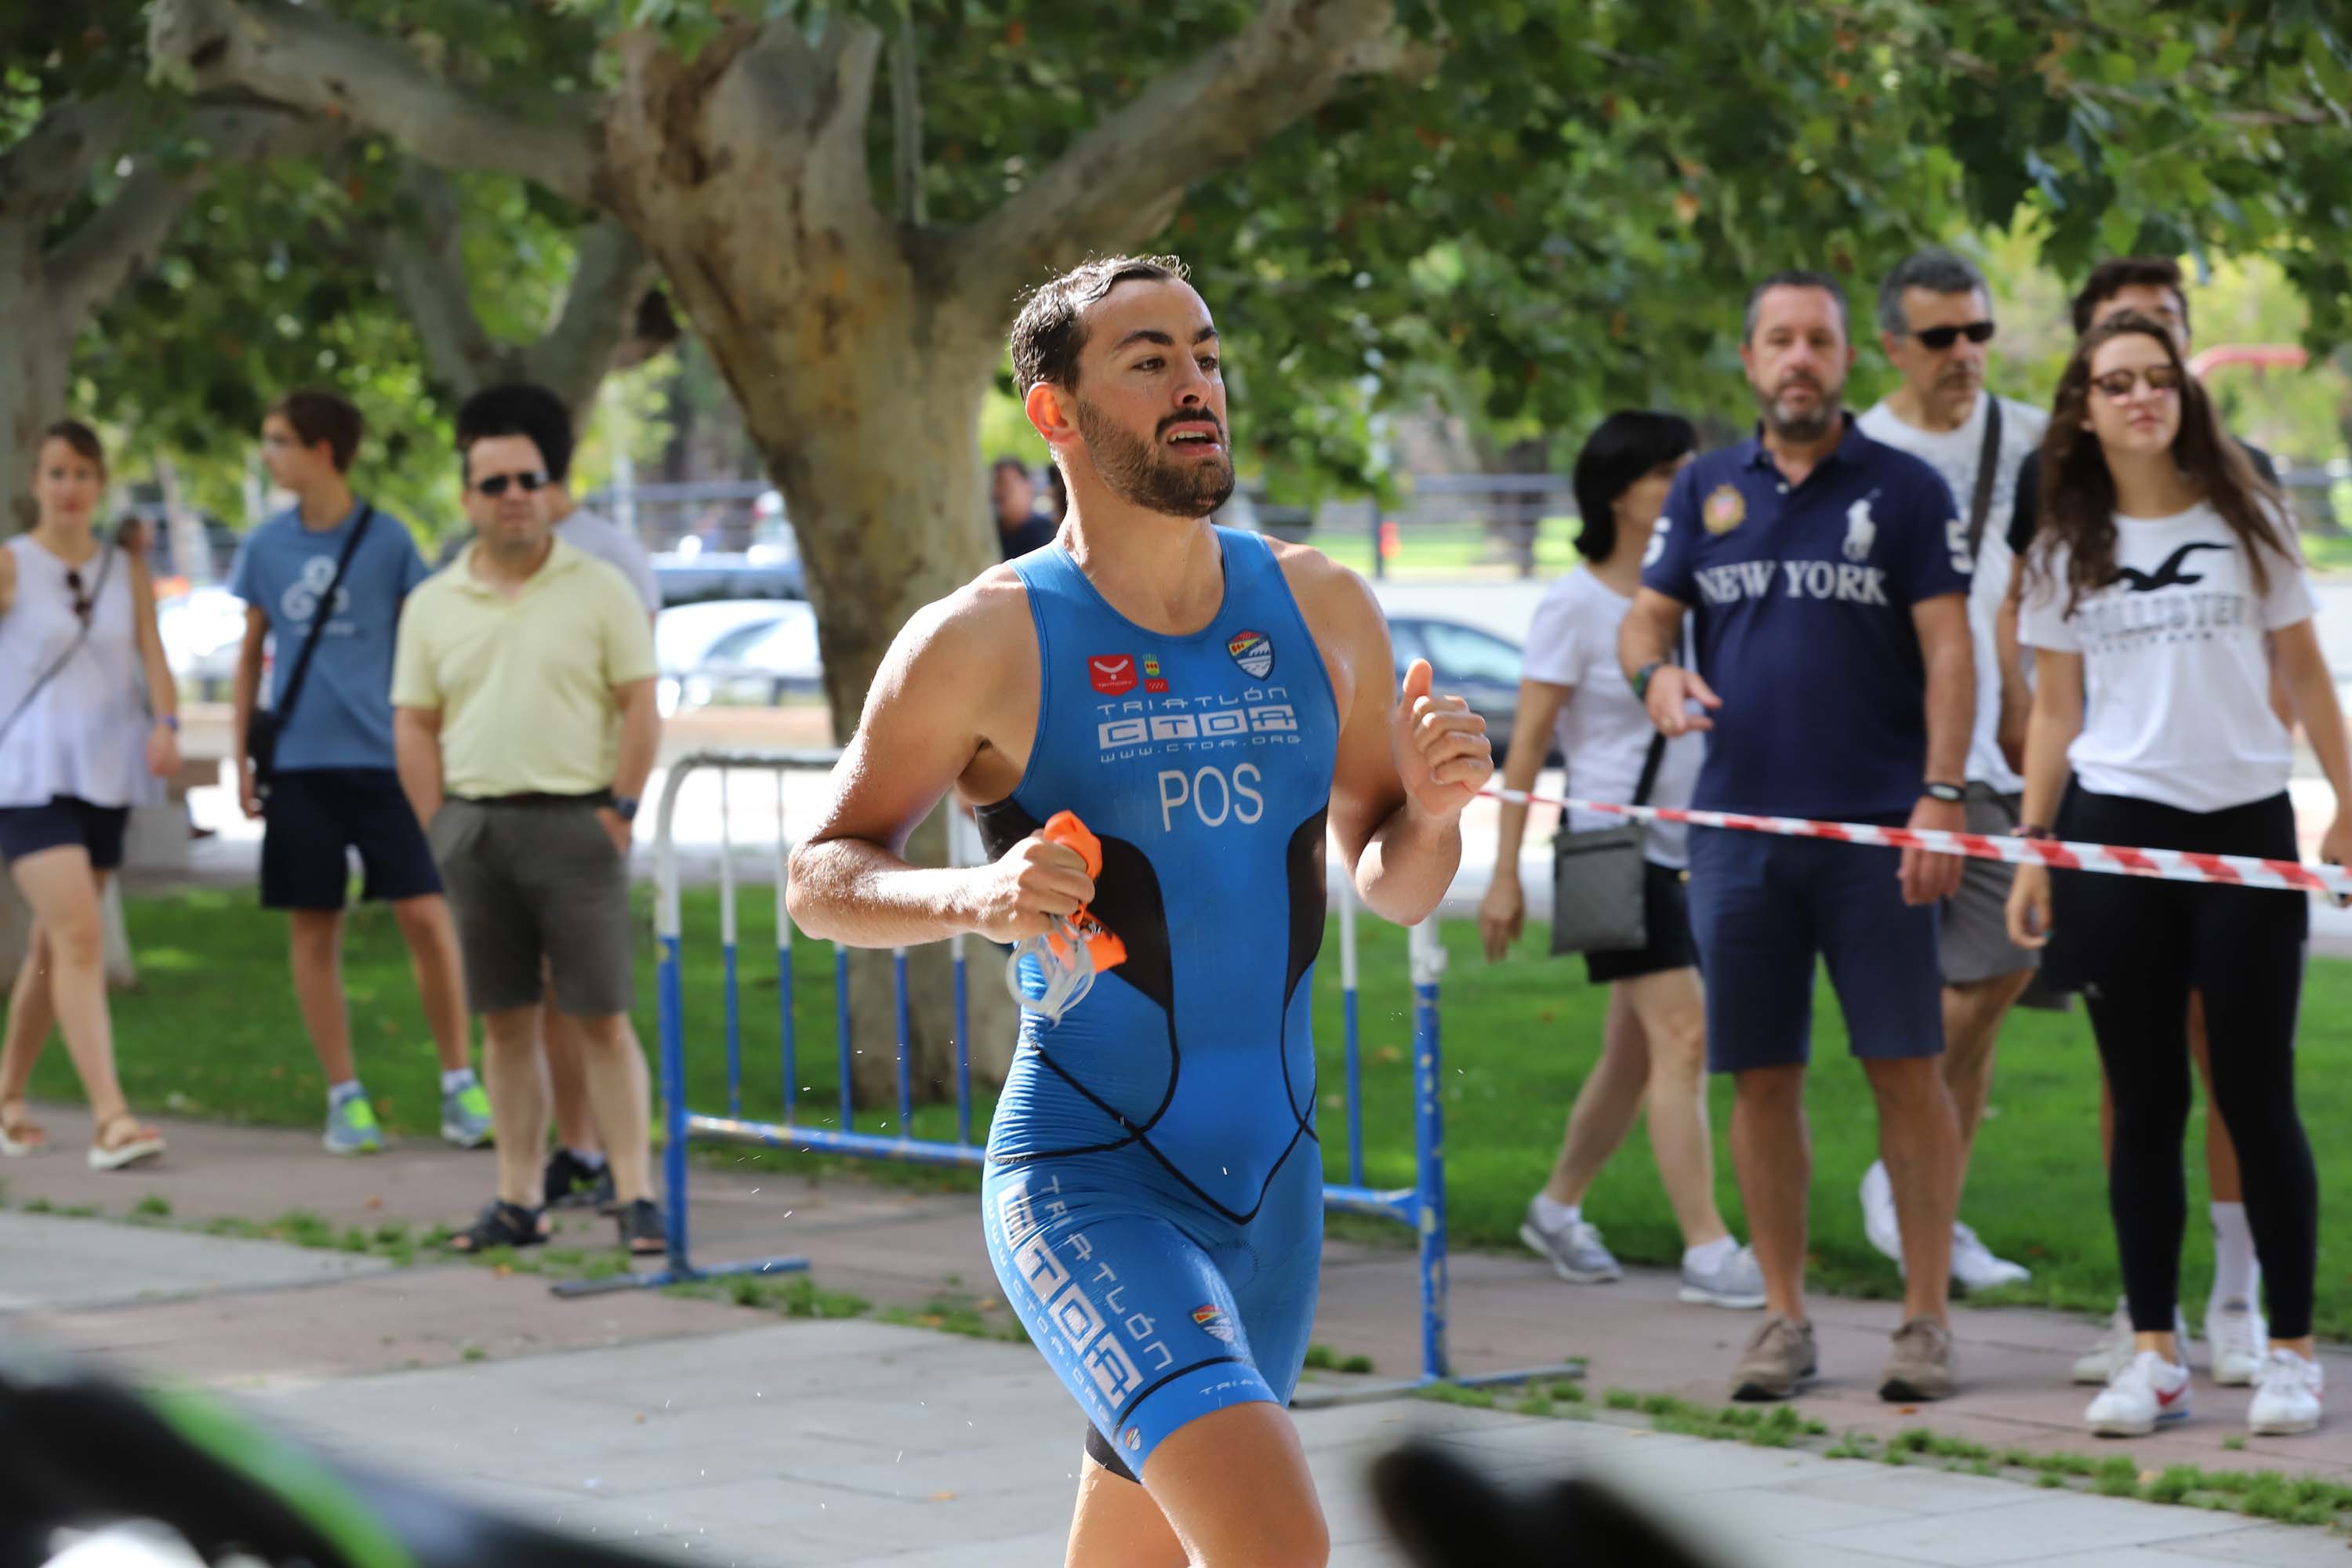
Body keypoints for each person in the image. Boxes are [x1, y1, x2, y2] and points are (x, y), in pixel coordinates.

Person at [785, 255, 1491, 1567]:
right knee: (1276, 1545)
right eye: (1150, 359)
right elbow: (821, 876)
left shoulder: (1319, 604)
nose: (1196, 386)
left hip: (1275, 1191)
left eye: (1208, 355)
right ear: (1055, 413)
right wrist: (978, 894)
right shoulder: (983, 638)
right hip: (1089, 1176)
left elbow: (1394, 883)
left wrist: (1439, 815)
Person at [1619, 270, 1974, 1405]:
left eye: (1818, 340)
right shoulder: (1707, 487)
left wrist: (1942, 793)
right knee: (1758, 1078)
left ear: (1846, 358)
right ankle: (1782, 1319)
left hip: (1879, 831)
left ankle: (1925, 1320)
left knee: (1906, 1072)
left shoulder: (1906, 489)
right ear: (1751, 360)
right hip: (1739, 836)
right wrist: (1657, 675)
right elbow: (1646, 613)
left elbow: (1955, 652)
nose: (1800, 360)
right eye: (1780, 340)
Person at [2008, 310, 2343, 1438]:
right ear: (2085, 408)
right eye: (2117, 382)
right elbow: (2056, 709)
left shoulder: (2250, 520)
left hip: (2242, 829)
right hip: (2112, 836)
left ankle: (2290, 1351)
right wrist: (2036, 847)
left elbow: (2303, 668)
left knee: (2255, 1095)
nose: (2141, 397)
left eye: (2159, 380)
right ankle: (2154, 1353)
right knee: (2144, 1103)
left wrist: (2349, 796)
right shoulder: (2064, 546)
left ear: (2183, 401)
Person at [1478, 410, 1762, 1310]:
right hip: (1612, 842)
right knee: (1685, 1033)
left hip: (1698, 840)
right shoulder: (1575, 602)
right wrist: (1502, 873)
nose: (1686, 481)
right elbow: (1526, 746)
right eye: (1667, 470)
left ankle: (1556, 1207)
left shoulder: (1694, 587)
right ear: (1618, 491)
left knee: (1635, 1053)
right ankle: (1709, 1247)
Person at [391, 413, 666, 1256]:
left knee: (601, 1016)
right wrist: (440, 825)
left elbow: (639, 706)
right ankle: (517, 1198)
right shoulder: (434, 602)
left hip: (577, 824)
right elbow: (415, 722)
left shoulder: (599, 587)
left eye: (529, 480)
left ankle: (635, 1195)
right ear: (469, 497)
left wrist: (619, 809)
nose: (515, 497)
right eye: (495, 484)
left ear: (550, 490)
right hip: (475, 828)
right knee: (503, 1021)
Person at [1852, 249, 2045, 1292]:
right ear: (1893, 346)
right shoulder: (1862, 453)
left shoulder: (2031, 440)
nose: (1965, 354)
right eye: (1941, 338)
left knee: (2000, 976)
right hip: (1905, 767)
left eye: (1978, 333)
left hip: (2013, 755)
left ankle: (1917, 1187)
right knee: (1926, 1003)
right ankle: (1917, 1187)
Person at [224, 390, 486, 1155]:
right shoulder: (264, 547)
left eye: (278, 441)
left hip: (387, 764)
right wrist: (242, 755)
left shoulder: (389, 540)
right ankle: (345, 1096)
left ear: (323, 451)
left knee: (426, 917)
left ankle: (459, 1084)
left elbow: (429, 649)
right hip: (300, 767)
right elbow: (249, 659)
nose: (268, 454)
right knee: (315, 925)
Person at [0, 422, 173, 1170]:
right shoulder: (11, 565)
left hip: (107, 774)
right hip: (27, 777)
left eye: (81, 473)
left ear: (100, 482)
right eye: (55, 473)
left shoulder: (122, 568)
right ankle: (111, 1118)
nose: (68, 487)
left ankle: (6, 1097)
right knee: (79, 937)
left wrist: (167, 723)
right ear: (35, 483)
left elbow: (153, 656)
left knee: (51, 945)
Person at [991, 456, 1057, 558]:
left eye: (1005, 484)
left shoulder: (1048, 532)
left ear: (1027, 488)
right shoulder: (990, 533)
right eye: (996, 484)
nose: (998, 492)